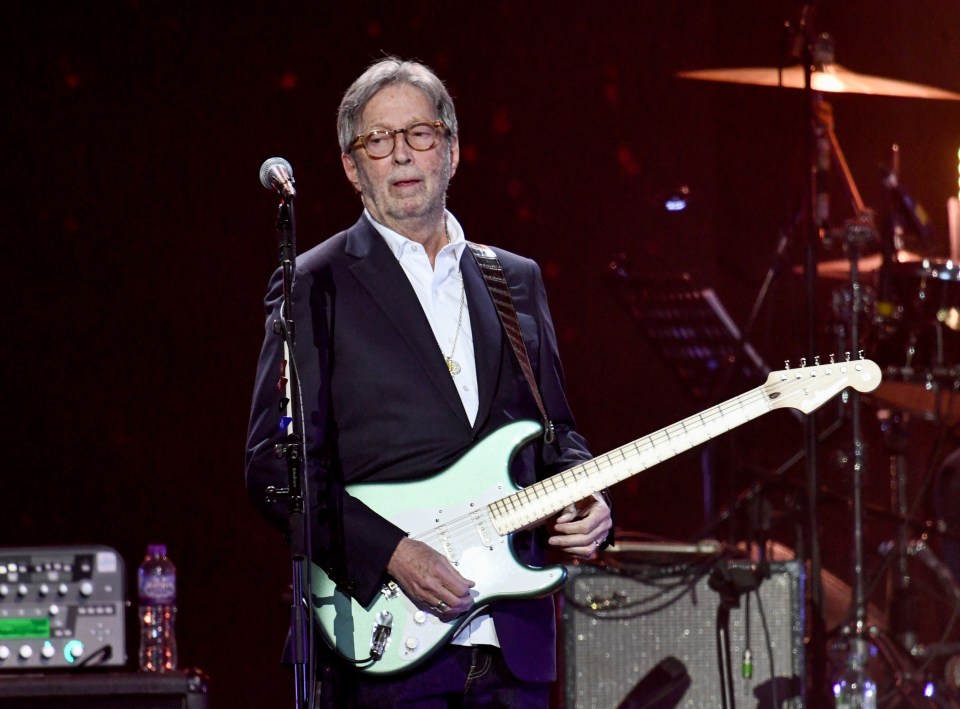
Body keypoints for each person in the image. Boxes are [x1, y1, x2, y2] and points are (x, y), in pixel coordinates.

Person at [245, 56, 613, 708]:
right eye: (378, 140)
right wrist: (391, 551)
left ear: (453, 149)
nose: (402, 155)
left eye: (420, 134)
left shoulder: (514, 278)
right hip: (385, 642)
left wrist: (586, 501)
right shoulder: (315, 282)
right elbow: (275, 467)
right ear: (353, 168)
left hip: (514, 641)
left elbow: (558, 432)